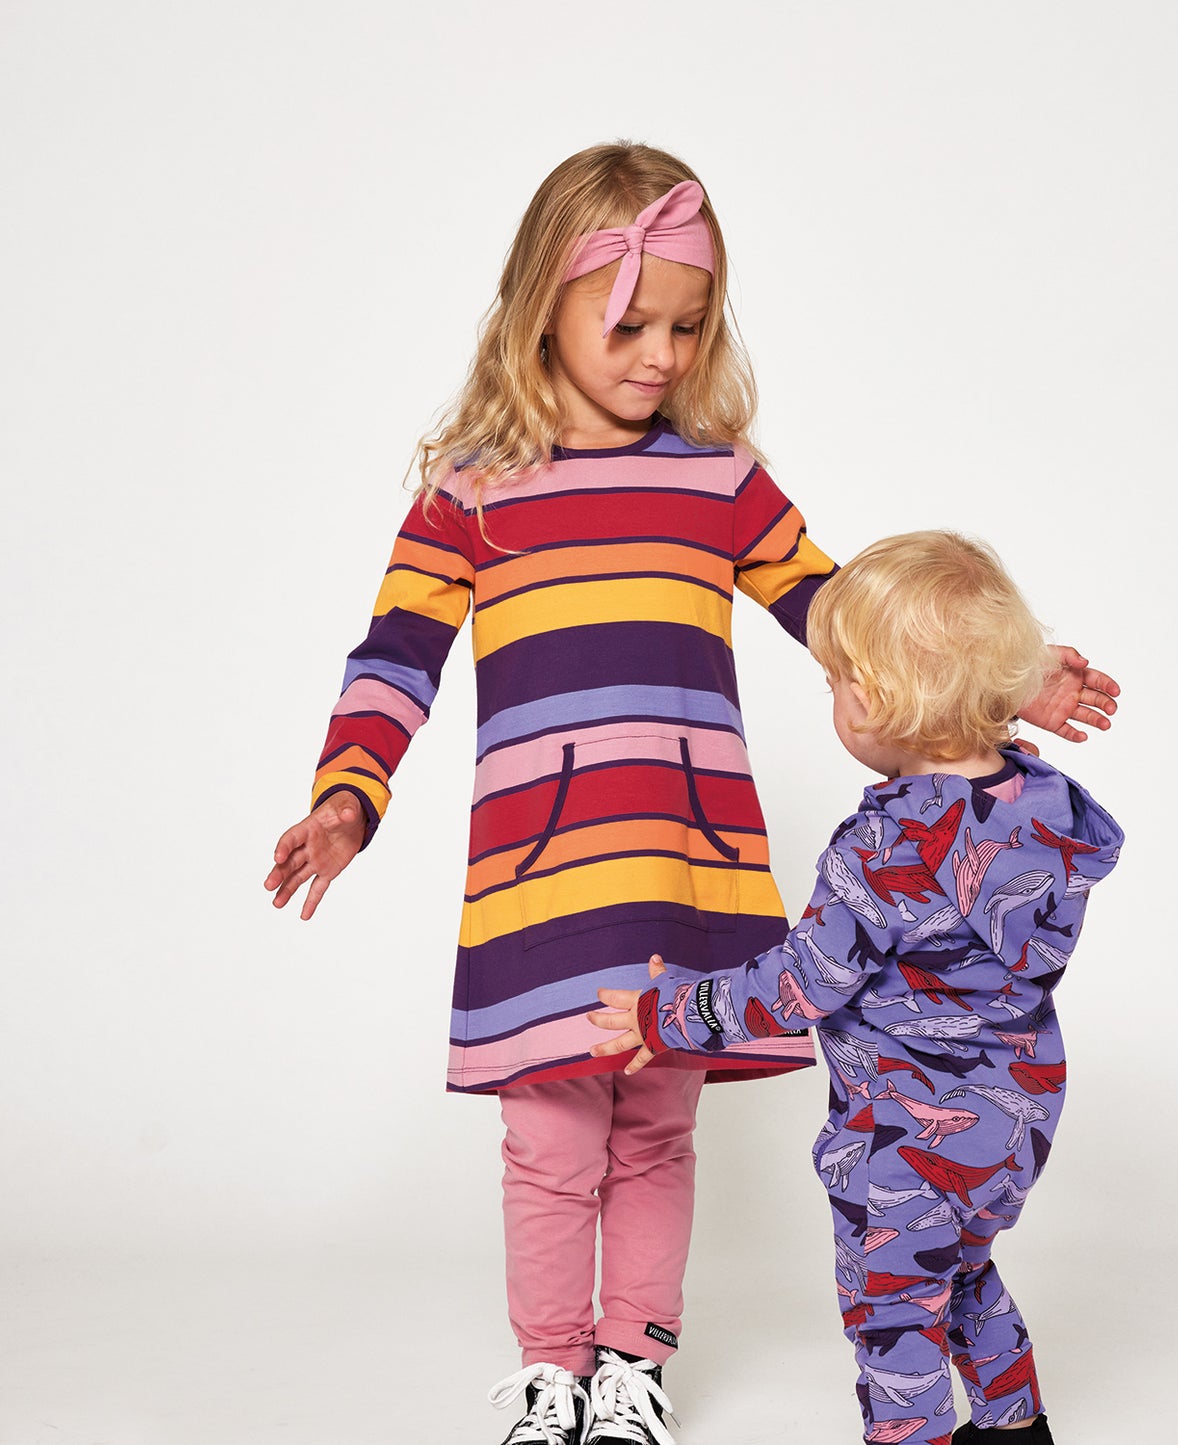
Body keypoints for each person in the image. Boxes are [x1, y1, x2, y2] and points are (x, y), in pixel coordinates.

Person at [263, 143, 1119, 1445]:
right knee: (549, 1140)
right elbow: (396, 655)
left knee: (656, 1129)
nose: (659, 355)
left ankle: (633, 1366)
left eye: (686, 324)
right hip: (540, 878)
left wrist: (998, 676)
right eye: (628, 326)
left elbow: (840, 614)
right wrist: (348, 793)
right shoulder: (470, 492)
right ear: (538, 308)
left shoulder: (718, 478)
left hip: (683, 865)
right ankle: (551, 1371)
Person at [590, 531, 1124, 1444]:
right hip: (1017, 1117)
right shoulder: (1042, 806)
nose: (836, 696)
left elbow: (798, 985)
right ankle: (1014, 1426)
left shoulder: (883, 848)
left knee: (892, 1310)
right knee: (962, 1271)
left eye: (836, 680)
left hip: (906, 1133)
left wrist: (669, 1011)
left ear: (873, 697)